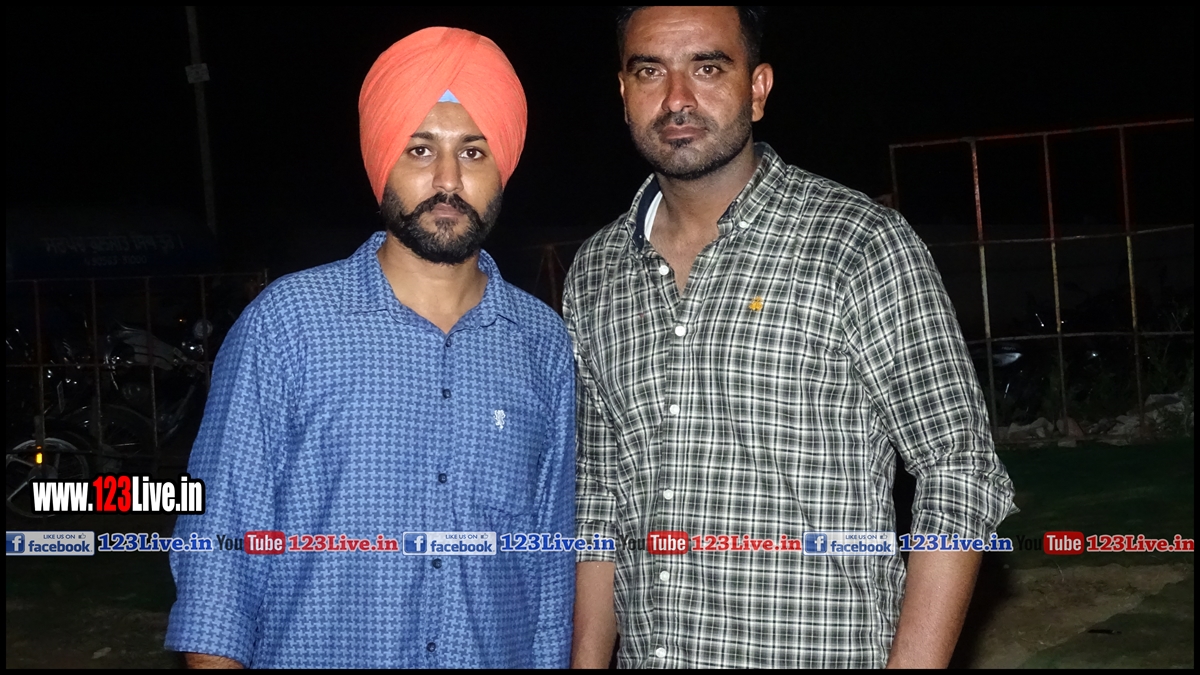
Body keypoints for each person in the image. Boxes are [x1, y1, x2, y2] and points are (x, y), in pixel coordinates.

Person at [566, 6, 1016, 669]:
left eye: (707, 68)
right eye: (651, 71)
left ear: (757, 88)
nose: (677, 98)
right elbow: (600, 501)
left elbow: (958, 467)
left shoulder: (857, 244)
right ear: (624, 92)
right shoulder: (596, 273)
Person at [165, 27, 575, 669]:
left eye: (472, 152)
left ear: (503, 168)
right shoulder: (288, 326)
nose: (447, 180)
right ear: (382, 158)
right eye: (420, 149)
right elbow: (219, 551)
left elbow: (549, 570)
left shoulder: (542, 344)